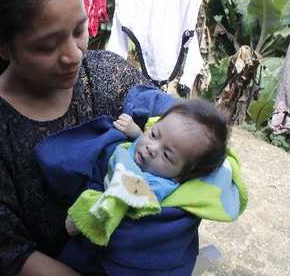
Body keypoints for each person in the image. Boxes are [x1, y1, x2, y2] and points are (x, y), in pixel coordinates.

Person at [0, 0, 157, 275]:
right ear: (1, 47)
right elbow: (5, 251)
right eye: (48, 45)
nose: (74, 55)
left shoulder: (108, 73)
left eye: (79, 30)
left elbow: (170, 124)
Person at [64, 98, 229, 243]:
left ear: (181, 176)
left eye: (167, 155)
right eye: (155, 134)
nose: (151, 148)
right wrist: (137, 132)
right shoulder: (150, 149)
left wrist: (82, 217)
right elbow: (146, 141)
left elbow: (119, 200)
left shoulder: (156, 186)